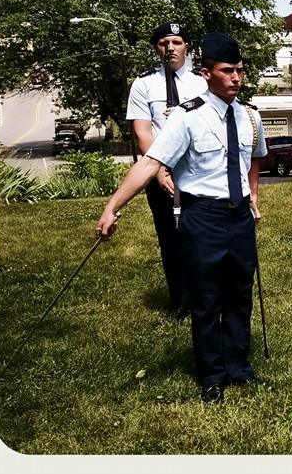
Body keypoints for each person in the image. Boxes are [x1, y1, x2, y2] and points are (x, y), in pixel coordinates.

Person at [96, 32, 267, 403]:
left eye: (239, 70)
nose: (236, 78)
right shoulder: (188, 118)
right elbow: (151, 163)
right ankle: (212, 374)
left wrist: (252, 199)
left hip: (238, 217)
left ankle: (238, 367)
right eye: (227, 71)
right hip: (202, 217)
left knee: (239, 295)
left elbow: (250, 164)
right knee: (206, 299)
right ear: (207, 74)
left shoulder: (249, 117)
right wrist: (113, 206)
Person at [127, 22, 209, 320]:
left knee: (200, 235)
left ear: (187, 46)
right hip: (159, 170)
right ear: (156, 49)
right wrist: (160, 170)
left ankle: (206, 296)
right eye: (164, 43)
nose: (170, 48)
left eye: (176, 41)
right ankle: (181, 300)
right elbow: (142, 131)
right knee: (170, 238)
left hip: (196, 170)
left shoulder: (203, 84)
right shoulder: (144, 85)